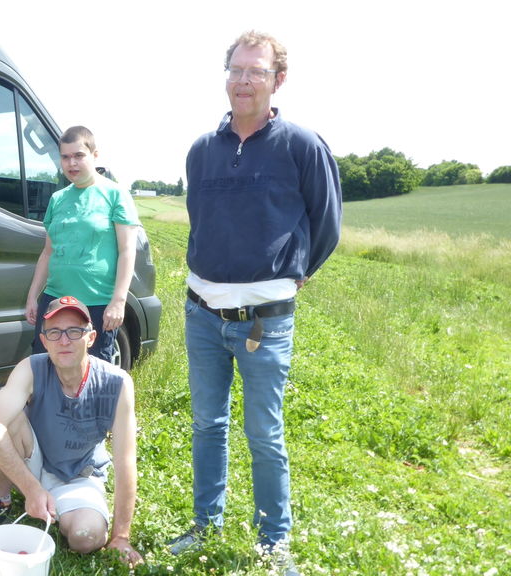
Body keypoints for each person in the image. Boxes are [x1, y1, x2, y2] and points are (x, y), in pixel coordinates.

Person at [167, 31, 342, 576]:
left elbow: (327, 224)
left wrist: (295, 273)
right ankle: (205, 524)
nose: (244, 81)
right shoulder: (202, 150)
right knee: (206, 424)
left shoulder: (301, 145)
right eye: (236, 70)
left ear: (277, 80)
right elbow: (202, 219)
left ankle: (273, 542)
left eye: (256, 71)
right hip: (202, 312)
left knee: (264, 433)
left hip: (265, 321)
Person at [0, 295, 143, 567]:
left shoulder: (117, 383)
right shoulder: (31, 368)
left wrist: (121, 536)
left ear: (91, 338)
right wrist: (32, 489)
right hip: (33, 461)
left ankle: (65, 510)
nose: (64, 340)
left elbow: (125, 462)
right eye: (55, 332)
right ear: (44, 340)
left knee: (86, 538)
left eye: (74, 331)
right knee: (4, 419)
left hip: (80, 476)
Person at [25, 126, 140, 364]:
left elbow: (127, 251)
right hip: (55, 301)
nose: (72, 163)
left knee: (92, 374)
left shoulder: (116, 194)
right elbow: (48, 252)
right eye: (65, 157)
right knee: (46, 367)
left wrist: (118, 301)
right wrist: (33, 296)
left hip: (96, 303)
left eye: (79, 155)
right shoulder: (58, 198)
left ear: (95, 155)